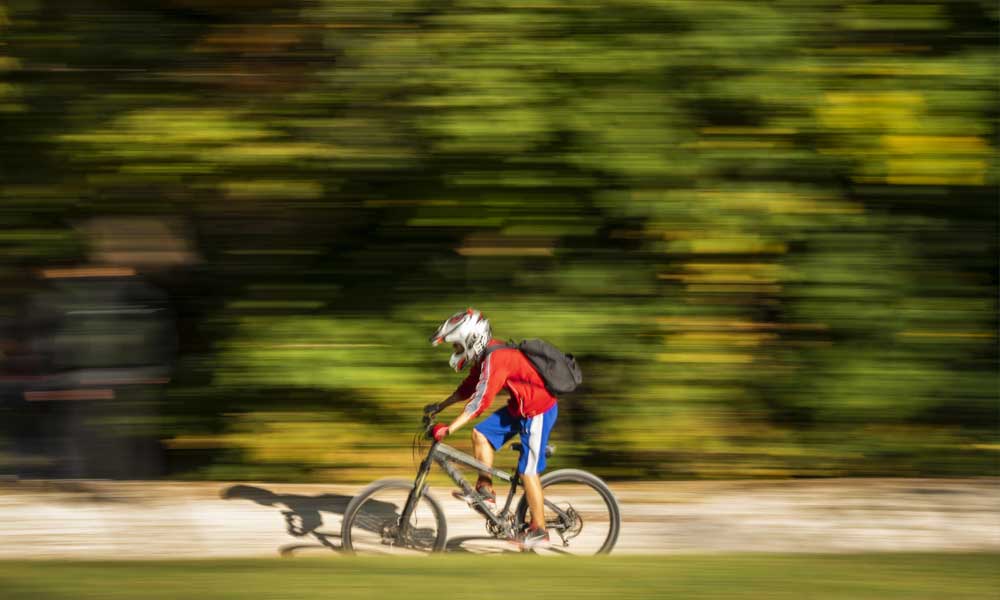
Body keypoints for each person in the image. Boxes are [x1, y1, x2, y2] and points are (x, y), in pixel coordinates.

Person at [425, 308, 558, 550]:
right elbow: (469, 388)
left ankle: (540, 530)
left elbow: (480, 401)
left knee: (527, 471)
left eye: (456, 347)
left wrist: (449, 429)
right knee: (481, 434)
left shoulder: (497, 359)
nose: (456, 352)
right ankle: (485, 490)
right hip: (520, 408)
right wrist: (439, 407)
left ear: (470, 340)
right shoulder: (486, 356)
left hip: (538, 410)